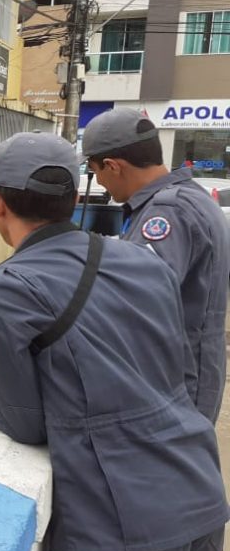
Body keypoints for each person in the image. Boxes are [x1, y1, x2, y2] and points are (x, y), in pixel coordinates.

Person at [0, 131, 228, 551]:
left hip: (120, 528)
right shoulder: (142, 262)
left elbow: (22, 421)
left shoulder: (5, 290)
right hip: (197, 492)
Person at [83, 108, 230, 424]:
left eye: (96, 172)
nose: (100, 183)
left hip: (173, 388)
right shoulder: (192, 197)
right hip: (189, 377)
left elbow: (133, 303)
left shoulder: (166, 213)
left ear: (113, 166)